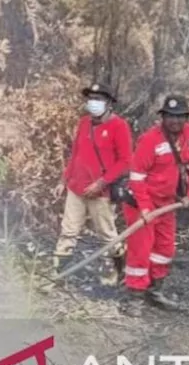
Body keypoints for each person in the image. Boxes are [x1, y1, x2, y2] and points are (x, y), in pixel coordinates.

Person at [121, 95, 189, 312]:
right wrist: (146, 209)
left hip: (168, 204)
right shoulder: (150, 140)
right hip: (142, 204)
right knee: (140, 250)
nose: (175, 121)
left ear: (186, 118)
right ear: (163, 117)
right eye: (170, 116)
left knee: (164, 249)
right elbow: (137, 176)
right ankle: (135, 298)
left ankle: (154, 290)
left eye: (179, 117)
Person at [54, 83, 132, 286]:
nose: (93, 103)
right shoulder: (83, 123)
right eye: (91, 98)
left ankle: (119, 272)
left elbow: (125, 161)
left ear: (109, 103)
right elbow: (75, 155)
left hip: (101, 192)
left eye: (98, 99)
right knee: (68, 231)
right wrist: (64, 180)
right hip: (76, 187)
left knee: (107, 235)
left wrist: (101, 183)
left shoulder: (119, 126)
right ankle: (59, 275)